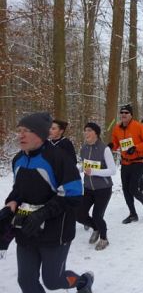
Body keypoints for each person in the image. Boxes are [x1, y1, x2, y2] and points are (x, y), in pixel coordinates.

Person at [3, 112, 94, 293]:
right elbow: (18, 190)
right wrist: (11, 204)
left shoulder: (59, 159)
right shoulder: (18, 160)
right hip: (26, 227)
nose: (20, 135)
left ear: (40, 134)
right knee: (27, 282)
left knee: (53, 281)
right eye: (19, 130)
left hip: (55, 231)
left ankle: (83, 282)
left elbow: (74, 195)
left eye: (26, 131)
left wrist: (43, 213)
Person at [111, 104, 143, 224]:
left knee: (133, 188)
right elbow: (116, 144)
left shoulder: (139, 126)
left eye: (126, 113)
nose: (123, 114)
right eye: (122, 113)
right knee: (126, 189)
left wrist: (136, 148)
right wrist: (111, 146)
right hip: (125, 163)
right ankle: (133, 214)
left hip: (138, 162)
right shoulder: (117, 128)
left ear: (131, 115)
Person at [77, 122, 116, 251]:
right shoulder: (84, 148)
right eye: (85, 130)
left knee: (97, 216)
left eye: (89, 130)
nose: (86, 133)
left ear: (96, 133)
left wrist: (94, 172)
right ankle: (96, 228)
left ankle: (104, 239)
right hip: (88, 188)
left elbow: (112, 170)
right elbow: (84, 166)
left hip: (103, 189)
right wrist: (77, 170)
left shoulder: (104, 149)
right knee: (80, 214)